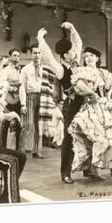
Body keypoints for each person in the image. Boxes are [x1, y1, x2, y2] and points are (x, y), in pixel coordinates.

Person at [68, 47, 112, 184]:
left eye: (91, 56)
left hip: (104, 108)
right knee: (95, 139)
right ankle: (94, 170)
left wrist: (108, 100)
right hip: (90, 108)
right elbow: (79, 87)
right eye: (86, 57)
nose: (89, 58)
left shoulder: (105, 74)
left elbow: (109, 92)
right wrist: (91, 93)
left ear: (97, 58)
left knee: (111, 137)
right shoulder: (82, 72)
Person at [35, 23, 85, 183]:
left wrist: (72, 29)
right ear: (64, 55)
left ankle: (88, 170)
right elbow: (48, 56)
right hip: (72, 106)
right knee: (70, 138)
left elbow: (78, 43)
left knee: (89, 135)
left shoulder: (76, 63)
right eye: (71, 51)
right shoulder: (61, 69)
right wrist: (40, 39)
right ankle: (65, 173)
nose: (74, 52)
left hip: (85, 104)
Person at [18, 42, 56, 159]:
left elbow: (51, 85)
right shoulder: (25, 69)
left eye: (39, 53)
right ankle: (21, 151)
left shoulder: (46, 69)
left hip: (43, 97)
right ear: (31, 54)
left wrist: (50, 100)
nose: (37, 55)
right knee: (28, 124)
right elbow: (22, 86)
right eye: (35, 53)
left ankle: (36, 150)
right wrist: (23, 103)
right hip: (30, 97)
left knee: (39, 125)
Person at [0, 48, 23, 150]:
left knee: (18, 124)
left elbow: (22, 86)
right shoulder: (6, 70)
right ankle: (3, 147)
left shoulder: (20, 70)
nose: (16, 58)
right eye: (14, 55)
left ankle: (17, 148)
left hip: (18, 99)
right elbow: (1, 82)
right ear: (10, 57)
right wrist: (10, 86)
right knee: (6, 123)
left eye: (18, 56)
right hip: (8, 99)